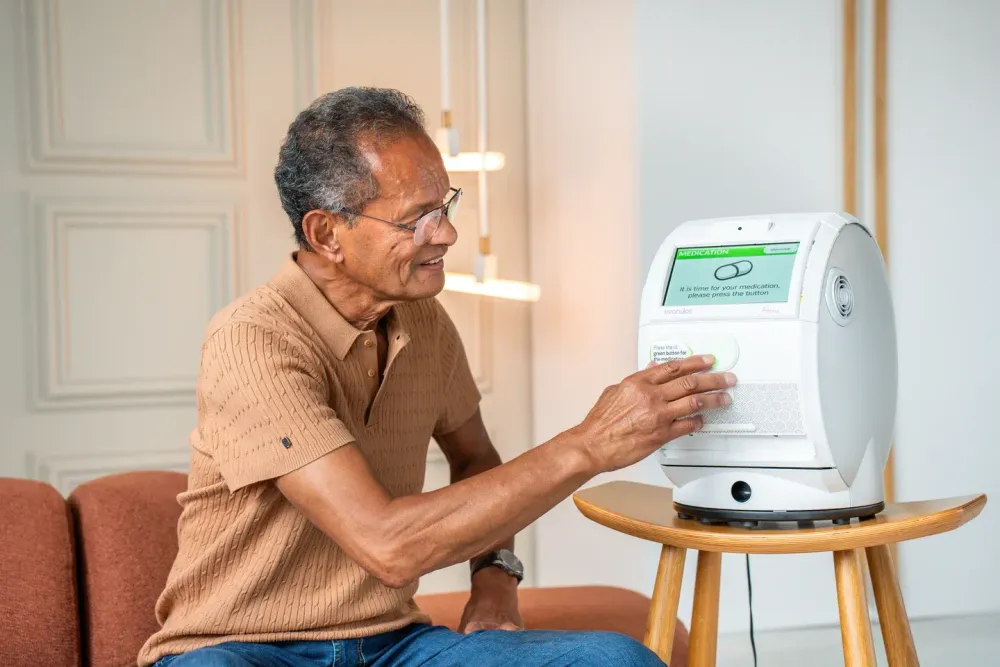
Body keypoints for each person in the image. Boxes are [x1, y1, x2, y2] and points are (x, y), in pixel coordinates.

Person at [138, 87, 735, 667]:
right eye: (415, 219)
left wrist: (496, 577)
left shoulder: (424, 320)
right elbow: (387, 546)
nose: (446, 233)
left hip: (392, 645)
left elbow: (475, 457)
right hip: (239, 650)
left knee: (613, 659)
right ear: (326, 234)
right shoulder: (251, 340)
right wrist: (589, 444)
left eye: (444, 205)